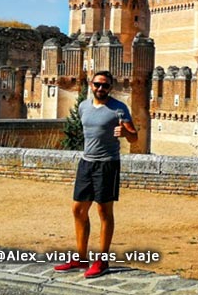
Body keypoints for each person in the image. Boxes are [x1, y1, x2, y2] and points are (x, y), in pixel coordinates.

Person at [54, 70, 137, 278]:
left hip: (107, 165)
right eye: (97, 84)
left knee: (104, 212)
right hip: (86, 163)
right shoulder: (83, 106)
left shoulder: (119, 109)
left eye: (105, 85)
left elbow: (134, 137)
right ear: (91, 84)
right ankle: (82, 259)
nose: (101, 88)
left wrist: (125, 133)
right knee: (78, 210)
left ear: (111, 87)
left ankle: (103, 261)